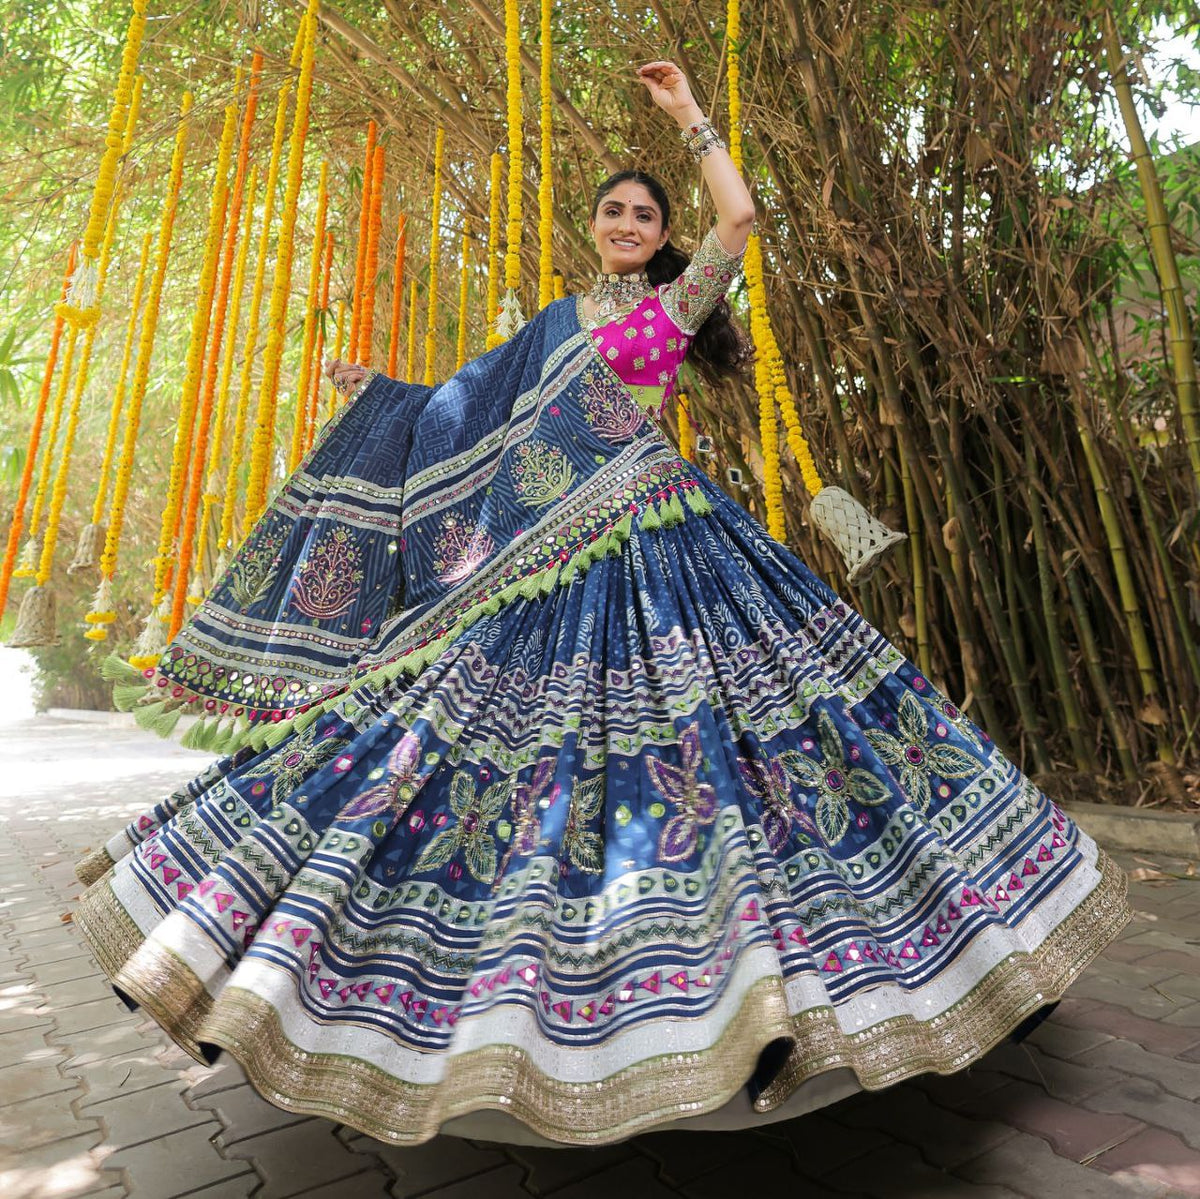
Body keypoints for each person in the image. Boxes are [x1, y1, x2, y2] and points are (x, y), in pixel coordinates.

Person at [74, 61, 1130, 1148]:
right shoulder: (553, 323)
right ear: (592, 226)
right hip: (543, 569)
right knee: (466, 746)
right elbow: (463, 410)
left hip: (674, 552)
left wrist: (691, 119)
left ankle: (813, 994)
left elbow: (745, 214)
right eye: (615, 210)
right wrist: (384, 396)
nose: (630, 222)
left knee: (756, 736)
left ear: (665, 233)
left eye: (646, 213)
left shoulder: (679, 304)